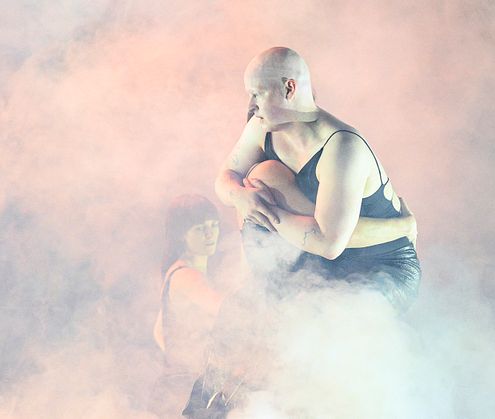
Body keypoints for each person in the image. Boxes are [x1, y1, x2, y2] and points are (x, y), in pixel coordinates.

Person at [214, 46, 420, 310]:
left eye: (257, 94)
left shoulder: (342, 146)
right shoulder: (262, 127)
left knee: (327, 321)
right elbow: (225, 178)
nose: (251, 106)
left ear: (289, 89)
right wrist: (241, 196)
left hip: (379, 264)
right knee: (261, 177)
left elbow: (329, 242)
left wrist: (262, 209)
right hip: (320, 255)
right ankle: (259, 291)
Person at [150, 194, 227, 418]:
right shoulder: (185, 276)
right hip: (182, 396)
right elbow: (226, 310)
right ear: (181, 235)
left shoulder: (180, 272)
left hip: (178, 393)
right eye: (199, 228)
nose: (210, 234)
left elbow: (158, 332)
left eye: (214, 225)